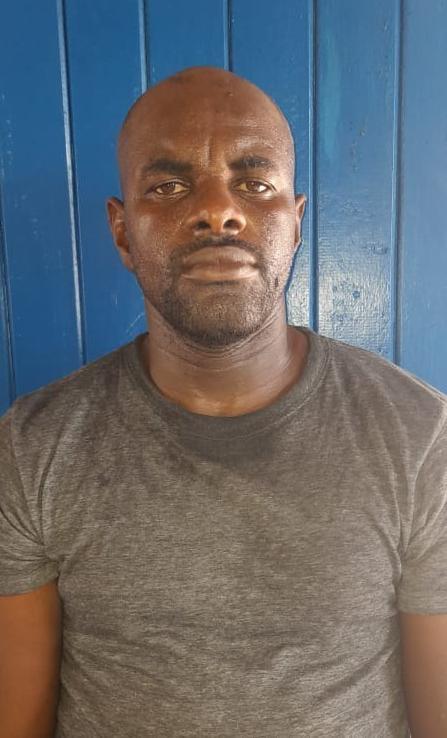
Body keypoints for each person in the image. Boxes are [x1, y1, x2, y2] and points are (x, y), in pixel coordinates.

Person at [0, 66, 446, 738]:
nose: (217, 210)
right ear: (122, 233)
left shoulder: (420, 437)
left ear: (294, 225)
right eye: (169, 186)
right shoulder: (33, 446)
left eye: (254, 183)